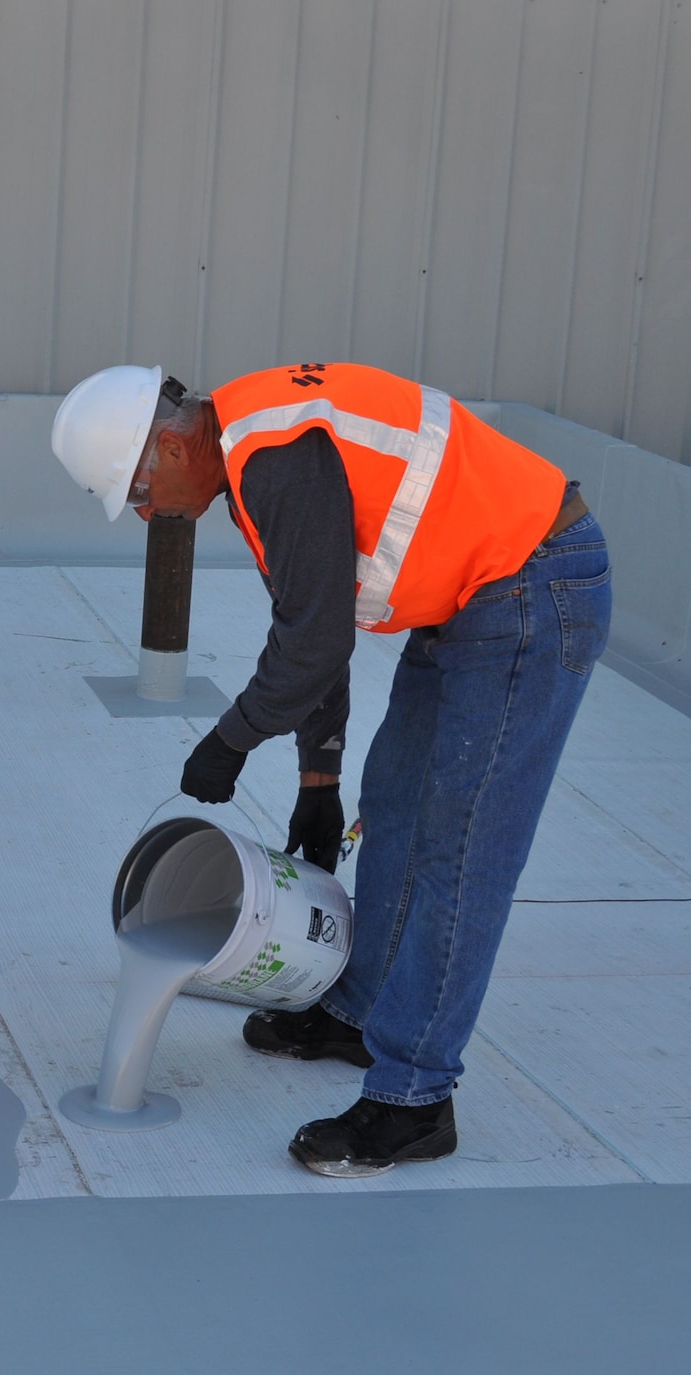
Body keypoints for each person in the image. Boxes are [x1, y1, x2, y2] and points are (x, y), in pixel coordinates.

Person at [50, 362, 612, 1176]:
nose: (144, 512)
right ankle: (362, 1011)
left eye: (135, 492)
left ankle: (414, 1100)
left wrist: (231, 740)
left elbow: (313, 646)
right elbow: (317, 618)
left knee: (459, 849)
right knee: (393, 805)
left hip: (531, 586)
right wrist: (321, 781)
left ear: (169, 448)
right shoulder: (253, 455)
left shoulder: (272, 455)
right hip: (476, 594)